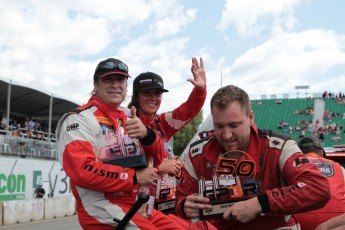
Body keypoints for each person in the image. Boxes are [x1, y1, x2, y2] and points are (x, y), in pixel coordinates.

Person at [175, 84, 331, 230]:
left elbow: (318, 188)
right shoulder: (197, 153)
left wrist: (261, 204)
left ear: (251, 117)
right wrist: (184, 205)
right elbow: (180, 199)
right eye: (219, 126)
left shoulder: (278, 146)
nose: (227, 135)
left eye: (234, 125)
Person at [56, 58, 184, 230]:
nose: (115, 85)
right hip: (99, 205)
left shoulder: (131, 117)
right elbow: (82, 170)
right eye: (108, 79)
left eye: (121, 79)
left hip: (136, 202)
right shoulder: (79, 119)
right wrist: (135, 177)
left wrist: (147, 135)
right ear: (95, 84)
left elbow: (159, 158)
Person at [127, 57, 206, 212]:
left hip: (166, 201)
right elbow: (119, 166)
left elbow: (188, 110)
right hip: (137, 204)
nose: (153, 98)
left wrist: (200, 90)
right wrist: (160, 166)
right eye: (147, 93)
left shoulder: (161, 122)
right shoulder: (125, 123)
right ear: (136, 96)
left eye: (157, 93)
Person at [294, 136, 345, 230]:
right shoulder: (339, 168)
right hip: (336, 217)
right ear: (321, 152)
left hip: (300, 217)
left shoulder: (291, 164)